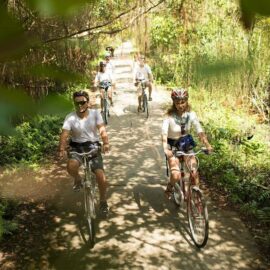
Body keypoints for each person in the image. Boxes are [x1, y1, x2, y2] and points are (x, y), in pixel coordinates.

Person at [59, 90, 110, 214]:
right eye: (77, 103)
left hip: (93, 146)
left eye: (82, 102)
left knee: (101, 176)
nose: (80, 105)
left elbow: (102, 129)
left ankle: (103, 201)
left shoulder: (95, 114)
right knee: (71, 166)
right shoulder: (70, 117)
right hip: (76, 147)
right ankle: (77, 179)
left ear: (88, 102)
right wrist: (61, 149)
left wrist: (106, 142)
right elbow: (64, 134)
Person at [161, 88, 213, 198]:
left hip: (186, 143)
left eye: (183, 102)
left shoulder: (191, 114)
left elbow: (199, 130)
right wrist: (166, 148)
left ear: (187, 101)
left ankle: (197, 199)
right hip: (173, 145)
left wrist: (207, 144)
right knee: (175, 175)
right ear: (174, 103)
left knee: (194, 172)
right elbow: (164, 133)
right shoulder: (169, 116)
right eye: (177, 103)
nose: (180, 105)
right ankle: (170, 187)